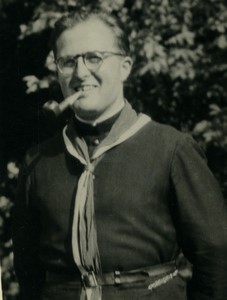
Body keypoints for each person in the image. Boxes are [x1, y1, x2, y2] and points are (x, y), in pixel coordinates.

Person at [12, 7, 227, 300]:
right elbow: (28, 273)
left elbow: (216, 257)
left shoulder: (172, 149)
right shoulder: (37, 162)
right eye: (68, 61)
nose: (80, 72)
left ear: (125, 67)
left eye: (93, 58)